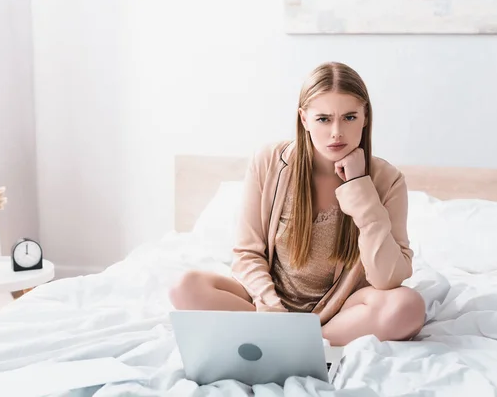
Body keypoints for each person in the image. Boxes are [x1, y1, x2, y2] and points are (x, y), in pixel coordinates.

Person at [169, 62, 425, 347]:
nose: (337, 132)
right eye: (324, 119)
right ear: (304, 119)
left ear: (365, 117)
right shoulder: (269, 161)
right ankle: (288, 338)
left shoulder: (387, 181)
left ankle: (298, 342)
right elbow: (247, 253)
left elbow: (387, 278)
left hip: (342, 314)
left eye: (349, 117)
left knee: (408, 307)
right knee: (186, 287)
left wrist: (360, 188)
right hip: (267, 306)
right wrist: (271, 310)